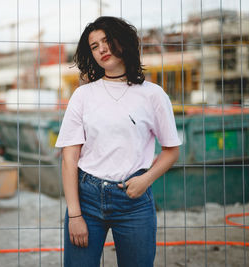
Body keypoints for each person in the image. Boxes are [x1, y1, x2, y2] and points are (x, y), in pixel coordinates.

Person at [55, 16, 182, 267]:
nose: (101, 49)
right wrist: (75, 214)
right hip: (87, 198)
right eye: (94, 46)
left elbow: (171, 150)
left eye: (106, 41)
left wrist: (146, 180)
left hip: (134, 200)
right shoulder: (82, 96)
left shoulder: (153, 95)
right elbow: (69, 158)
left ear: (122, 42)